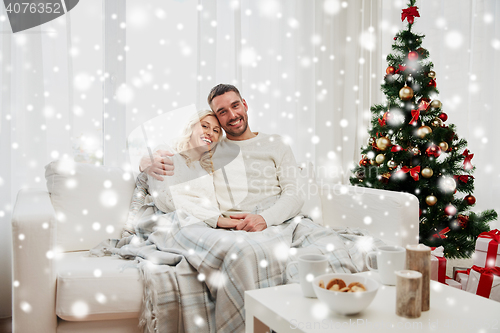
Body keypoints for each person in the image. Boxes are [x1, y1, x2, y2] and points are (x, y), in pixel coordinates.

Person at [141, 84, 304, 232]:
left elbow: (295, 193)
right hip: (234, 227)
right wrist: (145, 163)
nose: (232, 115)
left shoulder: (276, 143)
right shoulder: (211, 150)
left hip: (278, 220)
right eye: (223, 112)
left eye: (235, 105)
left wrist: (265, 219)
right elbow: (180, 159)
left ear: (245, 105)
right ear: (218, 118)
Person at [137, 109, 241, 229]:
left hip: (205, 224)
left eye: (216, 130)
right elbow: (166, 199)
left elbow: (213, 205)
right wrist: (216, 220)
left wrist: (220, 221)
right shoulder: (167, 153)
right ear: (191, 127)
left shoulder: (209, 170)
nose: (210, 133)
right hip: (172, 219)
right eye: (205, 126)